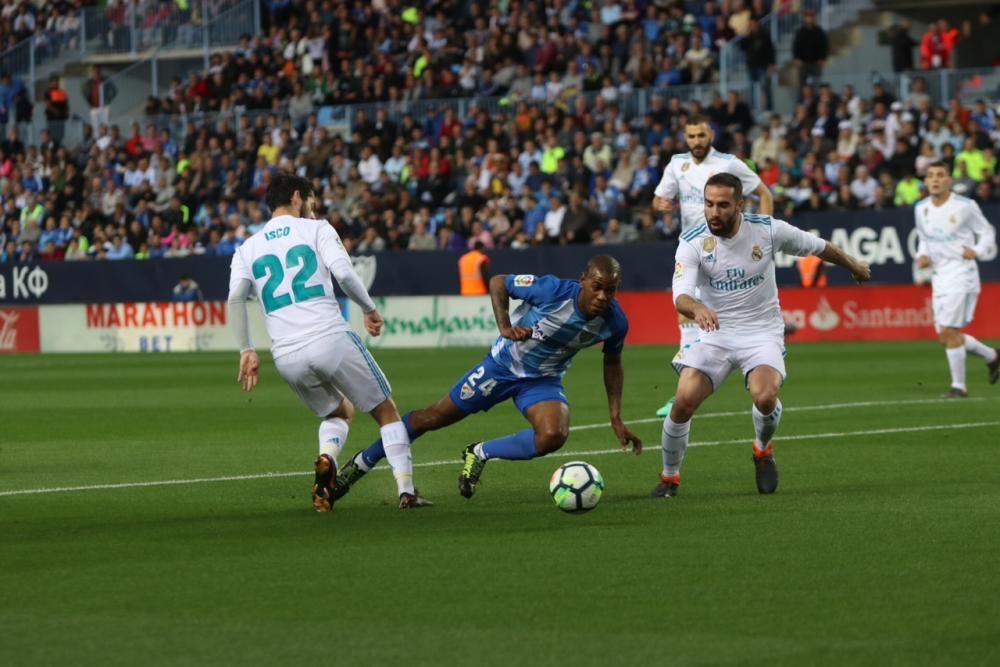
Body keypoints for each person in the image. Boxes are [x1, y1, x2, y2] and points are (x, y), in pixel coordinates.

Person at [332, 256, 643, 502]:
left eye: (611, 290)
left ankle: (479, 452)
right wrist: (505, 326)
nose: (603, 296)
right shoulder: (553, 291)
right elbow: (498, 282)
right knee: (432, 418)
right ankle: (360, 465)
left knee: (553, 435)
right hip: (500, 368)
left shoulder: (615, 323)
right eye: (598, 287)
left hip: (542, 381)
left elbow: (613, 362)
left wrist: (615, 416)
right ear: (583, 281)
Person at [652, 173, 871, 498]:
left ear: (739, 205)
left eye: (723, 205)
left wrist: (853, 265)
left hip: (761, 333)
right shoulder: (693, 241)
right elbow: (680, 296)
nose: (714, 212)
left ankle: (762, 449)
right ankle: (669, 478)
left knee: (765, 397)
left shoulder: (768, 230)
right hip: (715, 336)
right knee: (683, 401)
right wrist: (697, 308)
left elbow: (819, 246)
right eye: (709, 204)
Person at [227, 173, 429, 511]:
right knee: (386, 412)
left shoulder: (246, 248)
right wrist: (369, 308)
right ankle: (406, 491)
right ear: (296, 197)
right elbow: (345, 273)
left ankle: (327, 457)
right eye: (310, 201)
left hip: (286, 355)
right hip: (329, 337)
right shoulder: (317, 228)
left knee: (339, 412)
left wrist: (247, 349)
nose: (312, 207)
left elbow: (236, 299)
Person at [651, 114, 774, 416]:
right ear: (685, 137)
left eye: (701, 136)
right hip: (692, 249)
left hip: (728, 249)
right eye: (691, 136)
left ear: (711, 136)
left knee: (717, 315)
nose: (696, 142)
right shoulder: (676, 165)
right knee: (685, 313)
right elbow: (658, 199)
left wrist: (767, 235)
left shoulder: (729, 164)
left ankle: (752, 367)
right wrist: (661, 205)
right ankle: (685, 390)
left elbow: (764, 194)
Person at [914, 162, 999, 398]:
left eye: (940, 176)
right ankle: (993, 356)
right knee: (945, 335)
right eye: (931, 176)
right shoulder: (921, 208)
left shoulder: (965, 206)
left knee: (950, 331)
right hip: (939, 275)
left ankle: (959, 387)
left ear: (949, 180)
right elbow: (924, 238)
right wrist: (922, 254)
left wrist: (978, 251)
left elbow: (987, 232)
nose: (935, 180)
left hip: (962, 273)